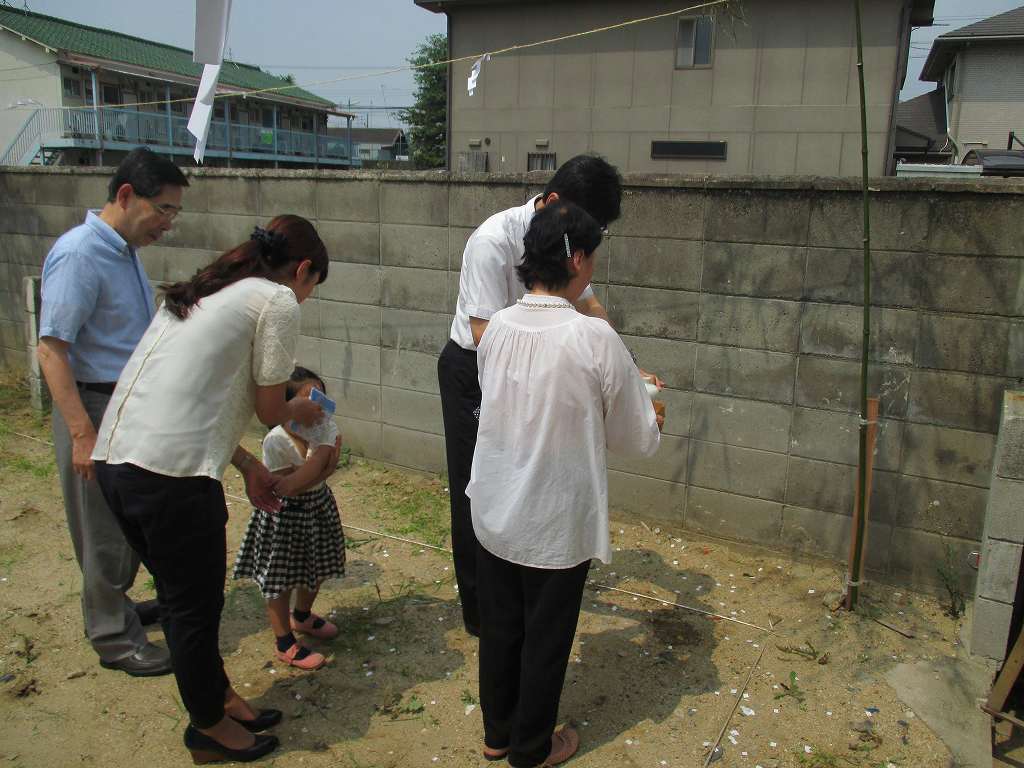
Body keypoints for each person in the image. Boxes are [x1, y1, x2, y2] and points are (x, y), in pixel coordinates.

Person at [91, 216, 331, 764]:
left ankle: (218, 698)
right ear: (302, 270)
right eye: (314, 284)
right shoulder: (276, 300)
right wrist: (301, 409)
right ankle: (207, 729)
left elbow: (200, 400)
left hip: (119, 465)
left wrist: (245, 464)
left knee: (181, 601)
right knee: (193, 610)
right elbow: (271, 408)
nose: (308, 296)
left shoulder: (213, 289)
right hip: (170, 480)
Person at [467, 202, 662, 768]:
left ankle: (497, 734)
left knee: (502, 629)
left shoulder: (497, 325)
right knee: (546, 637)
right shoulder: (592, 338)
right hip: (554, 514)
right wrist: (653, 421)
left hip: (497, 505)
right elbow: (634, 436)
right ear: (576, 257)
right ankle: (531, 748)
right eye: (593, 256)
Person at [439, 154, 661, 638]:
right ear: (557, 203)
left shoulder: (567, 240)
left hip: (529, 366)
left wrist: (624, 365)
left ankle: (526, 582)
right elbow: (483, 331)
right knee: (479, 483)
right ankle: (482, 610)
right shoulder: (493, 241)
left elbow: (588, 302)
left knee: (536, 475)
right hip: (476, 368)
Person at [36, 147, 188, 677]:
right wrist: (81, 433)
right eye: (163, 210)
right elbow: (52, 349)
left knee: (128, 518)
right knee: (100, 525)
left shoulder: (121, 250)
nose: (167, 224)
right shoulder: (80, 253)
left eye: (174, 213)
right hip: (93, 403)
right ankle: (110, 635)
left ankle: (119, 608)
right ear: (126, 196)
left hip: (123, 402)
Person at [233, 366, 347, 672]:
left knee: (319, 566)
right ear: (285, 409)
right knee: (279, 581)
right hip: (283, 518)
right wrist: (322, 465)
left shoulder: (326, 430)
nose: (317, 408)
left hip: (318, 508)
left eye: (321, 398)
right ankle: (284, 640)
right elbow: (286, 486)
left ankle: (303, 615)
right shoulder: (276, 441)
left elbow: (318, 468)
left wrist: (321, 462)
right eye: (308, 401)